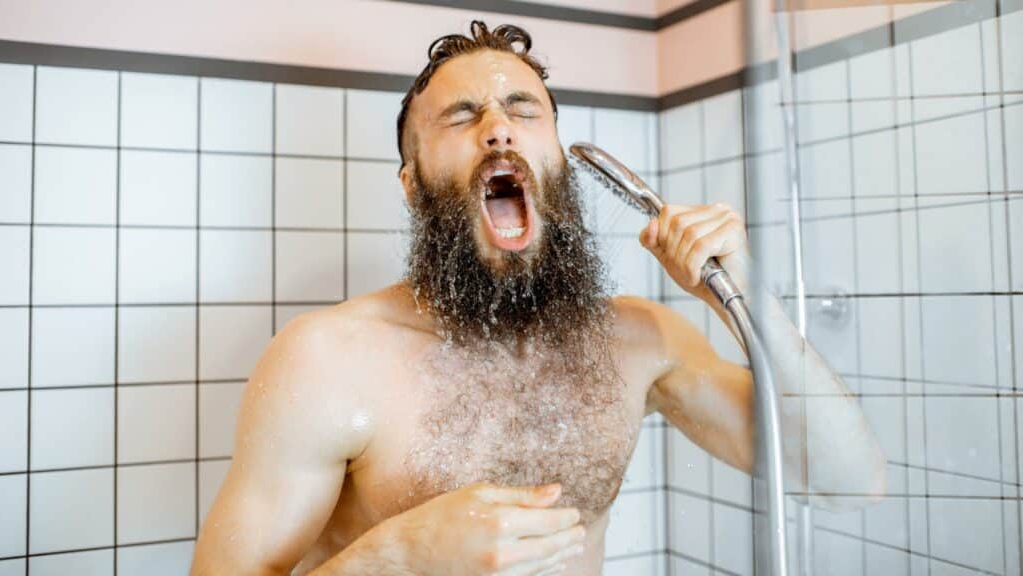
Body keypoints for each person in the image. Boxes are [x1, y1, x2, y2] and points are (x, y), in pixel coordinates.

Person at [190, 20, 885, 576]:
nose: (498, 127)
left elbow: (847, 479)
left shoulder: (639, 342)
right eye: (461, 116)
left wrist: (743, 295)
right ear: (411, 183)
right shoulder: (325, 362)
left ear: (557, 158)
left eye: (524, 109)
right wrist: (395, 560)